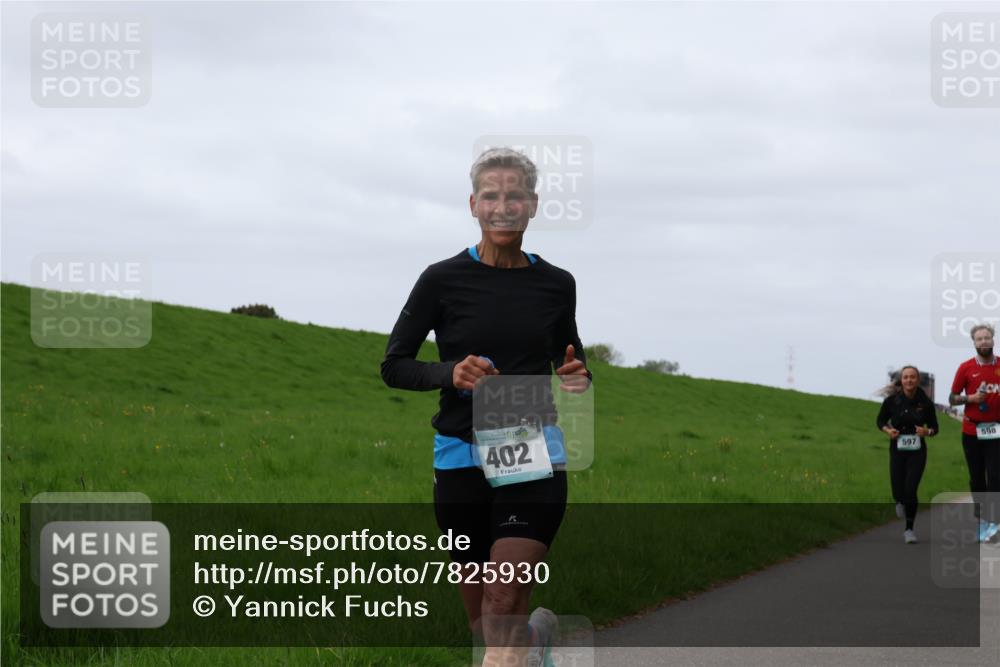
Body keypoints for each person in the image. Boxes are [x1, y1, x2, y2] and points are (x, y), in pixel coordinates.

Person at [381, 147, 591, 666]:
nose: (503, 206)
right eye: (491, 196)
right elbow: (394, 364)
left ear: (533, 206)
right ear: (474, 204)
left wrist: (578, 376)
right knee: (487, 628)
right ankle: (538, 643)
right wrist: (447, 372)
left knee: (501, 595)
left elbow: (571, 357)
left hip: (531, 453)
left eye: (515, 195)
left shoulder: (556, 284)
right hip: (459, 454)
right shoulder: (441, 279)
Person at [949, 323, 1000, 543]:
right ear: (974, 342)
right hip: (972, 430)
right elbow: (952, 398)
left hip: (997, 430)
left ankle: (993, 524)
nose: (984, 342)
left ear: (993, 340)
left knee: (996, 477)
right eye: (979, 339)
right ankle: (982, 517)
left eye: (987, 338)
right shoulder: (966, 368)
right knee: (977, 479)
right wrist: (970, 399)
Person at [876, 366, 938, 543]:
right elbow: (880, 421)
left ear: (918, 380)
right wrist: (888, 430)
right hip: (897, 448)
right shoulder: (891, 401)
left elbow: (935, 428)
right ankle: (899, 500)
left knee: (911, 489)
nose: (909, 380)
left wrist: (927, 432)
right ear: (901, 380)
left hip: (917, 451)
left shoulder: (925, 403)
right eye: (906, 377)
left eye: (912, 377)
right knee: (898, 488)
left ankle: (909, 529)